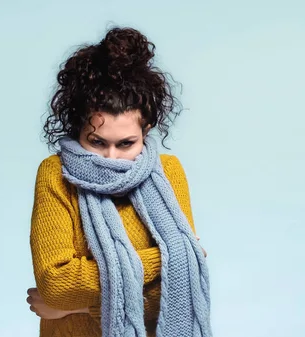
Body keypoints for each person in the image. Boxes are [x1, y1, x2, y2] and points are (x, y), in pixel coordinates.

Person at [27, 27, 212, 337]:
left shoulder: (169, 172)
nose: (110, 158)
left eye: (126, 143)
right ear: (78, 127)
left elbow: (179, 295)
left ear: (147, 129)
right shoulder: (55, 174)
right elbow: (56, 285)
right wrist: (173, 254)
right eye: (97, 142)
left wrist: (79, 306)